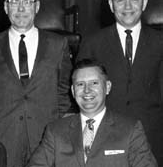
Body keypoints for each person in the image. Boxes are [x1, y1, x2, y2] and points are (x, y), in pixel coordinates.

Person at [0, 0, 72, 167]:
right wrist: (1, 119)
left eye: (27, 2)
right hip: (3, 136)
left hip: (45, 134)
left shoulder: (57, 44)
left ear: (36, 6)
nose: (20, 8)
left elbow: (65, 90)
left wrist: (48, 117)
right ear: (5, 7)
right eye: (13, 2)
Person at [76, 0, 163, 163]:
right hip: (106, 136)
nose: (128, 7)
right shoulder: (93, 43)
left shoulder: (160, 43)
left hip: (153, 137)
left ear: (144, 3)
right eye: (120, 0)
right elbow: (83, 94)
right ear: (111, 5)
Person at [28, 59, 157, 167]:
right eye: (80, 84)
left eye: (94, 83)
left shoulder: (130, 129)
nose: (87, 90)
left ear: (107, 87)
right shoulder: (55, 131)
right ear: (73, 91)